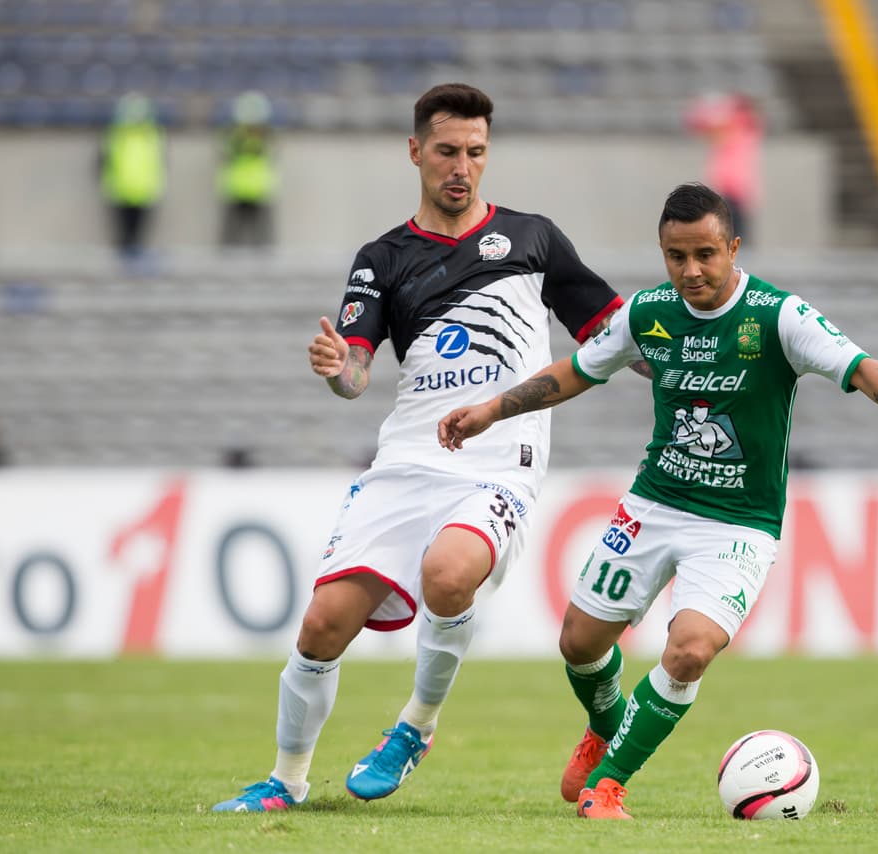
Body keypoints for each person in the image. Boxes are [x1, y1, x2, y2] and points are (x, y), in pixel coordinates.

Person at [438, 182, 878, 820]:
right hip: (655, 503)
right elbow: (577, 370)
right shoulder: (648, 313)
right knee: (579, 643)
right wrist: (491, 409)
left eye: (706, 254)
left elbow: (857, 363)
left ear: (733, 247)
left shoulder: (776, 316)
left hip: (739, 523)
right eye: (676, 256)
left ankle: (610, 783)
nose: (692, 270)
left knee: (690, 649)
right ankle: (606, 728)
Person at [212, 83, 625, 813]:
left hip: (498, 460)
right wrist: (339, 367)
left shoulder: (533, 239)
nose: (461, 166)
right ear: (415, 153)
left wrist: (683, 351)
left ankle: (416, 725)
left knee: (448, 573)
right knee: (320, 626)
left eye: (475, 152)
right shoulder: (384, 257)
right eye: (446, 151)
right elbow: (357, 373)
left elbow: (611, 331)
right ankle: (286, 781)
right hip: (405, 462)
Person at [684, 92, 763, 246]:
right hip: (731, 190)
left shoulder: (739, 125)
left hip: (735, 191)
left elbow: (700, 122)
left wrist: (714, 106)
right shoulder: (742, 127)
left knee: (732, 237)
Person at [98, 92, 166, 259]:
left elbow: (159, 162)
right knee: (123, 231)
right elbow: (104, 161)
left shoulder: (153, 135)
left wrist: (158, 185)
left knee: (140, 230)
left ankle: (136, 256)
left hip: (144, 189)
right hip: (121, 189)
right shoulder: (116, 135)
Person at [218, 90, 277, 248]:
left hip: (258, 187)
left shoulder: (266, 135)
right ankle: (228, 252)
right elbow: (228, 154)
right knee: (233, 228)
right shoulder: (234, 135)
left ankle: (263, 253)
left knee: (261, 230)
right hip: (238, 186)